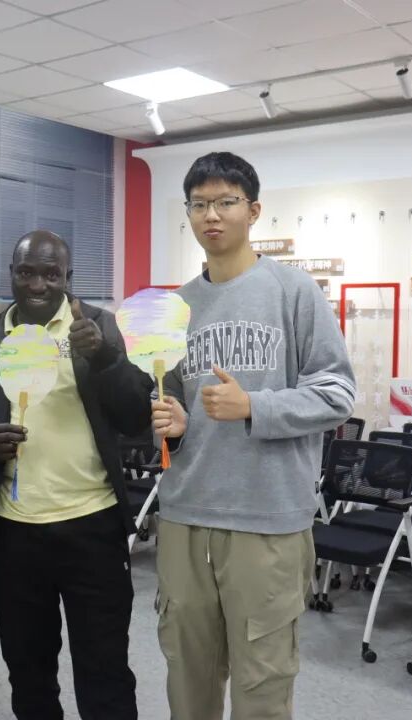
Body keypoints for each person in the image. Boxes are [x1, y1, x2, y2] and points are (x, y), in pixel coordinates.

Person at [150, 152, 356, 720]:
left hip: (267, 520)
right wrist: (173, 426)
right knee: (186, 674)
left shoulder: (294, 291)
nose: (211, 215)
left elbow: (338, 392)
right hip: (185, 515)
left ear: (254, 210)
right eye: (199, 204)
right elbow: (168, 408)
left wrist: (254, 407)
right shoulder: (176, 308)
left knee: (262, 683)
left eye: (225, 202)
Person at [0, 230, 152, 720]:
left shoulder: (98, 328)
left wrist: (105, 357)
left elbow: (135, 418)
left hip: (93, 525)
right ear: (11, 275)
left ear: (68, 278)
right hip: (15, 530)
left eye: (50, 274)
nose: (37, 285)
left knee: (105, 670)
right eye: (26, 272)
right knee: (28, 670)